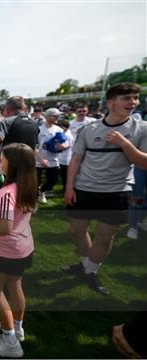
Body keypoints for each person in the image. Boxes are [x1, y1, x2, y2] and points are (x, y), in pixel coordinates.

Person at [63, 83, 147, 295]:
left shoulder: (141, 129)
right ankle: (85, 264)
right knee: (76, 230)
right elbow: (76, 160)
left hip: (117, 190)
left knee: (105, 235)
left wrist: (123, 143)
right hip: (84, 188)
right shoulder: (89, 130)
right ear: (110, 103)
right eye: (126, 98)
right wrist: (69, 187)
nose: (132, 102)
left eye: (135, 98)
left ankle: (91, 271)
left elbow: (143, 163)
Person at [0, 143, 37, 358]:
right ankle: (18, 328)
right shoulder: (29, 184)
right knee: (15, 286)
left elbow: (5, 227)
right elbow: (13, 217)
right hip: (24, 247)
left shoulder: (6, 192)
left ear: (12, 165)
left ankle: (9, 340)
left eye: (1, 159)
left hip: (7, 250)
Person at [35, 108, 64, 203]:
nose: (57, 117)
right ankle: (34, 200)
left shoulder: (59, 129)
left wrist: (62, 146)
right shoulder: (38, 129)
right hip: (38, 160)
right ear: (47, 116)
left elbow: (64, 143)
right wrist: (41, 159)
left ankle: (41, 191)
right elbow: (33, 146)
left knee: (53, 180)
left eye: (58, 116)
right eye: (55, 116)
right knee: (35, 182)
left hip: (53, 160)